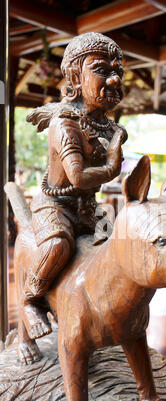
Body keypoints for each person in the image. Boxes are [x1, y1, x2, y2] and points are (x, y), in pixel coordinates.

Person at [22, 32, 127, 339]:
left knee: (119, 245)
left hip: (88, 207)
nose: (114, 81)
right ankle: (31, 299)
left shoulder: (108, 126)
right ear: (74, 77)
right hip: (56, 205)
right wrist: (111, 168)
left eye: (118, 72)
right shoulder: (64, 123)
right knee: (58, 245)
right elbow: (78, 177)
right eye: (102, 71)